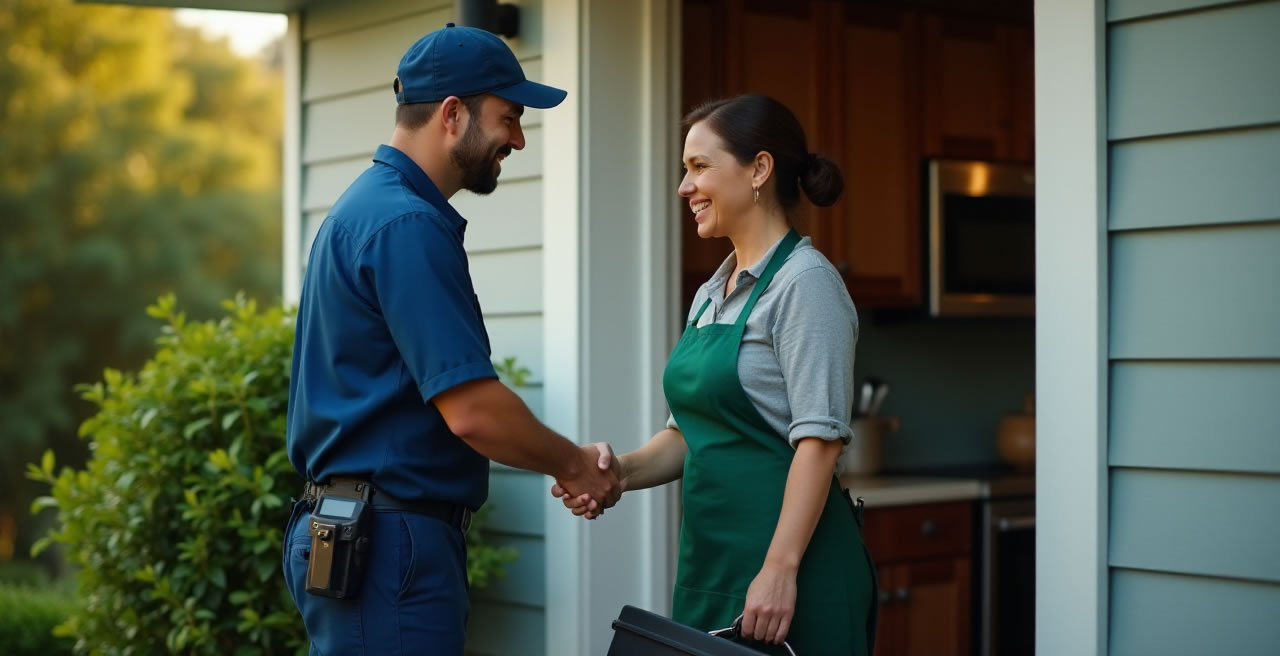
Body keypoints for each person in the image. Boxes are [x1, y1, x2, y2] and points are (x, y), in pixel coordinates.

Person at [282, 24, 621, 655]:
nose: (518, 139)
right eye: (509, 117)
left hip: (358, 532)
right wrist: (575, 464)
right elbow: (471, 410)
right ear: (452, 113)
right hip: (388, 545)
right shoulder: (406, 224)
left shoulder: (365, 209)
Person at [554, 94, 877, 656]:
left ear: (759, 169)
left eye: (700, 167)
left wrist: (780, 569)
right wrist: (617, 472)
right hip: (713, 565)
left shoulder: (806, 285)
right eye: (686, 170)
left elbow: (820, 442)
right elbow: (687, 434)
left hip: (793, 573)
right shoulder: (712, 294)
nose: (685, 187)